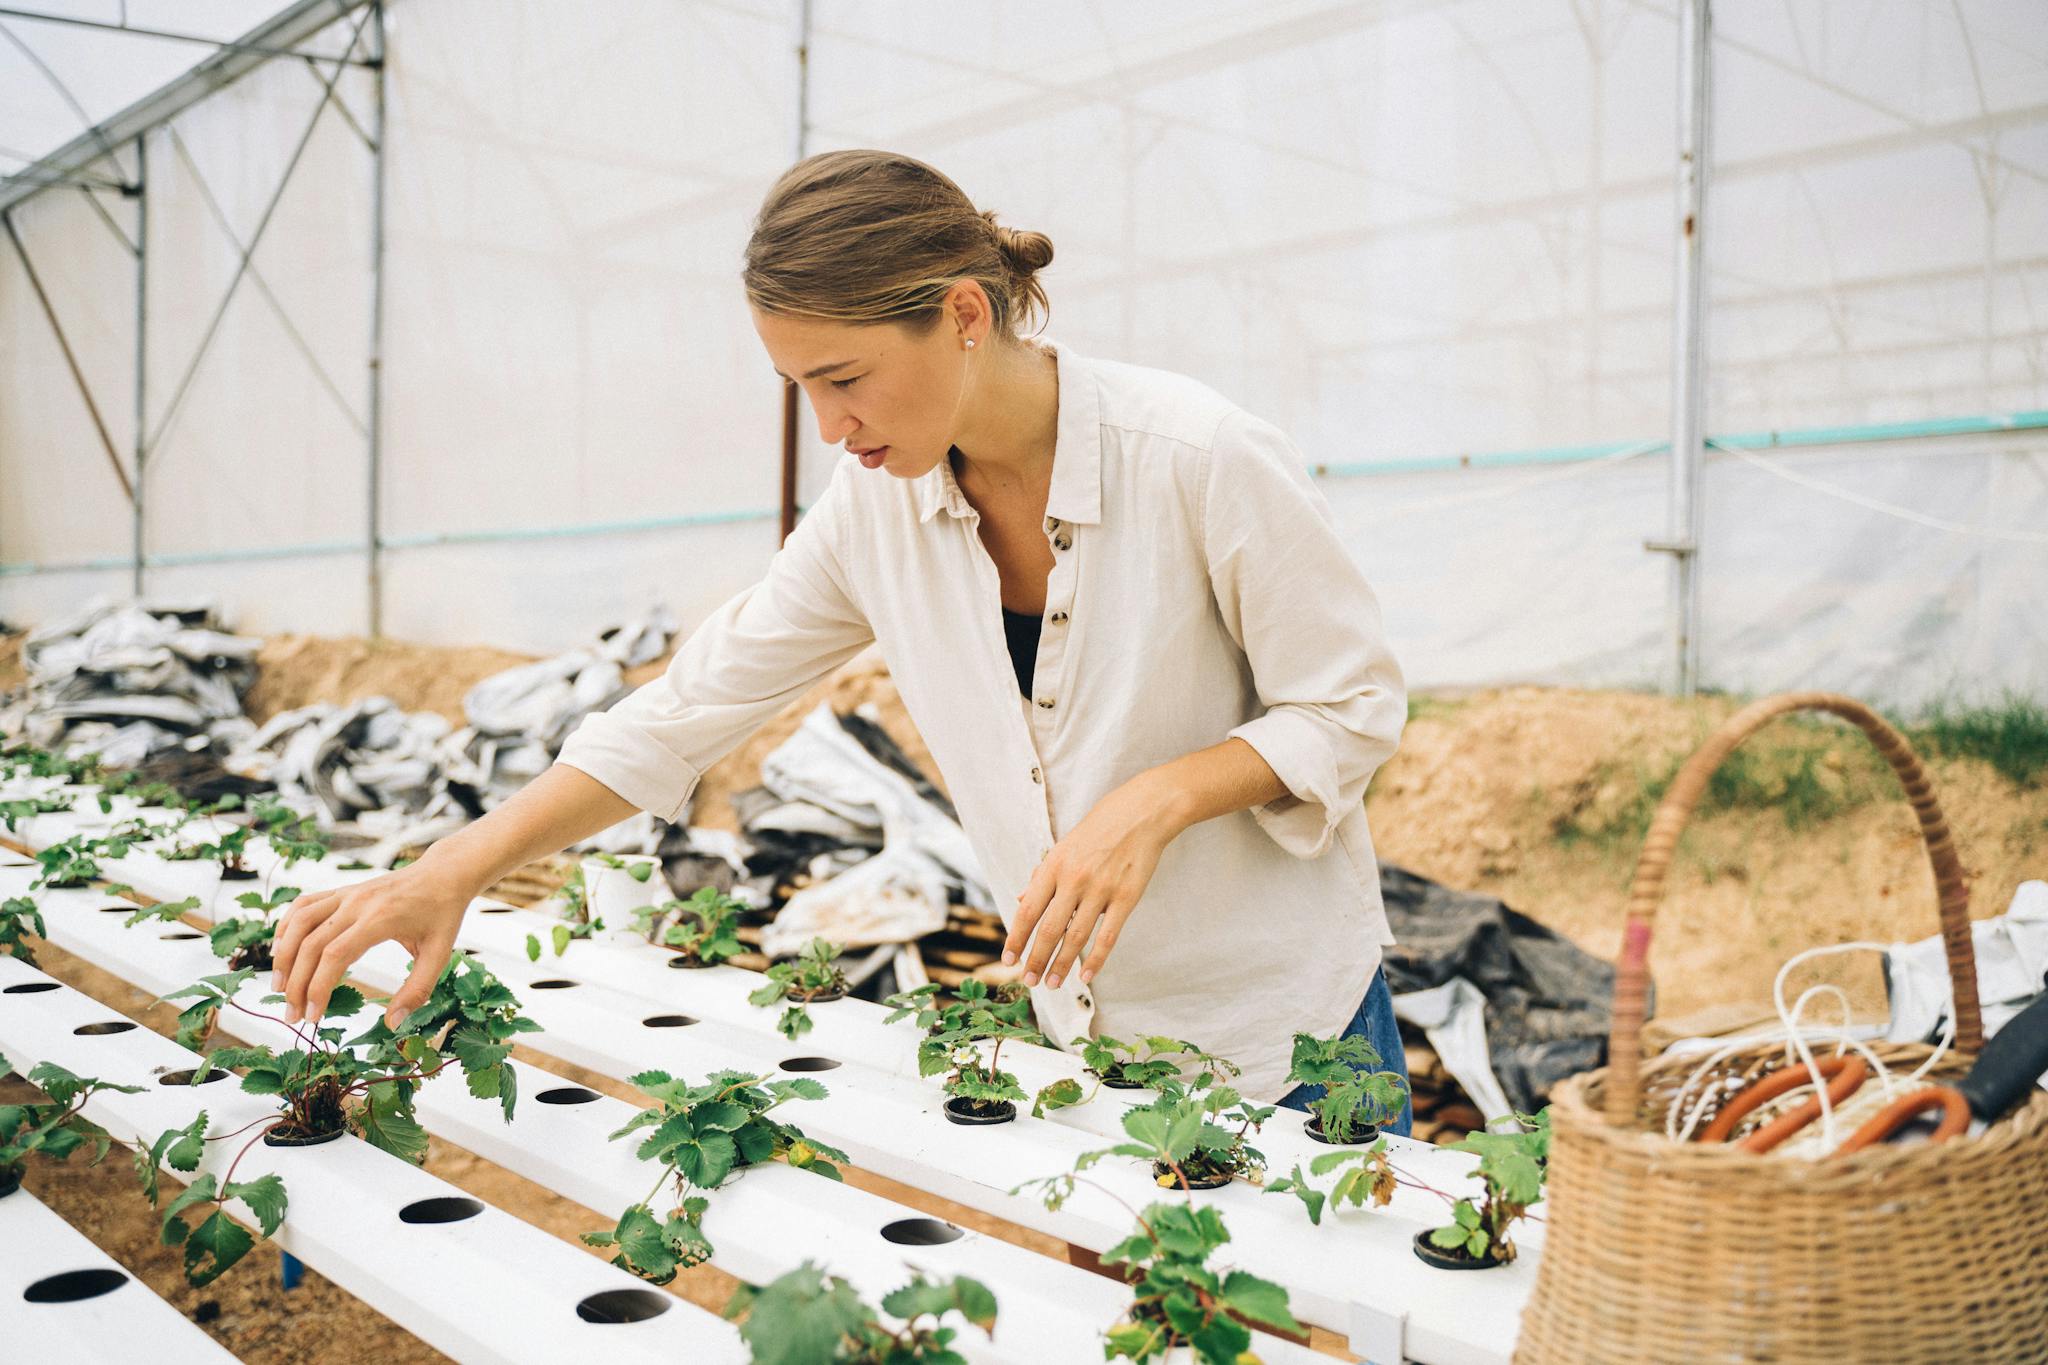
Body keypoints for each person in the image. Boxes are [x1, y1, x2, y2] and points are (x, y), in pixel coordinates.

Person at [272, 148, 1410, 1123]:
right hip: (1084, 1043)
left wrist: (1156, 799)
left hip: (1286, 1036)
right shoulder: (875, 509)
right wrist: (451, 869)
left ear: (965, 314)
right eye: (797, 387)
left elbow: (1349, 706)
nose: (831, 425)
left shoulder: (1201, 459)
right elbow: (684, 710)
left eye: (846, 377)